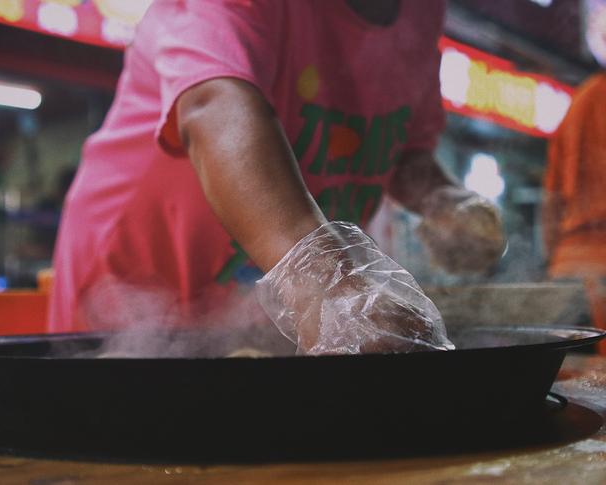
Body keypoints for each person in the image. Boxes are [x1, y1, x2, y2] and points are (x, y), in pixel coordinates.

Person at [50, 0, 504, 354]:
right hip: (136, 280)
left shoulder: (421, 12)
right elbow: (213, 103)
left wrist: (443, 202)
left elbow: (404, 150)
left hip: (264, 298)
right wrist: (329, 286)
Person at [542, 0, 606, 347]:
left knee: (568, 386)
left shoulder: (579, 102)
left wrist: (555, 262)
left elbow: (550, 202)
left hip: (567, 271)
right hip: (602, 269)